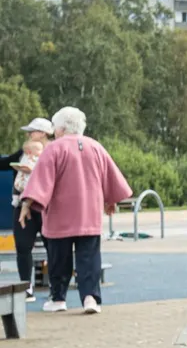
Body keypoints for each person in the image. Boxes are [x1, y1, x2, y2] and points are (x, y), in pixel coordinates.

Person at [18, 107, 132, 314]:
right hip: (88, 214)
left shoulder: (53, 149)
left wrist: (26, 205)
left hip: (60, 216)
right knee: (89, 257)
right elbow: (110, 176)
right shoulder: (95, 146)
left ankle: (59, 298)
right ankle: (90, 298)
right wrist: (110, 200)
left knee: (59, 258)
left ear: (60, 128)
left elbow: (41, 182)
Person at [2, 117, 53, 302]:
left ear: (43, 133)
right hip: (22, 205)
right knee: (23, 247)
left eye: (32, 131)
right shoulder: (25, 152)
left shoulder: (55, 151)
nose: (29, 134)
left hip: (47, 206)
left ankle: (56, 286)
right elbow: (6, 162)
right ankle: (26, 286)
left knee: (52, 247)